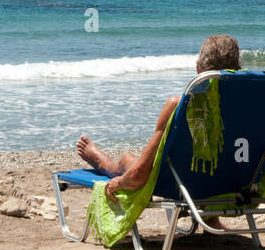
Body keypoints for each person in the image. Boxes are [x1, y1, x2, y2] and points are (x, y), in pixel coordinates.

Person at [76, 34, 241, 205]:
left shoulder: (179, 106)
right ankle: (211, 217)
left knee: (127, 160)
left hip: (180, 186)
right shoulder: (251, 105)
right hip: (236, 183)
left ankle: (104, 162)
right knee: (210, 159)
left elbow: (139, 175)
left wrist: (119, 182)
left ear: (198, 69)